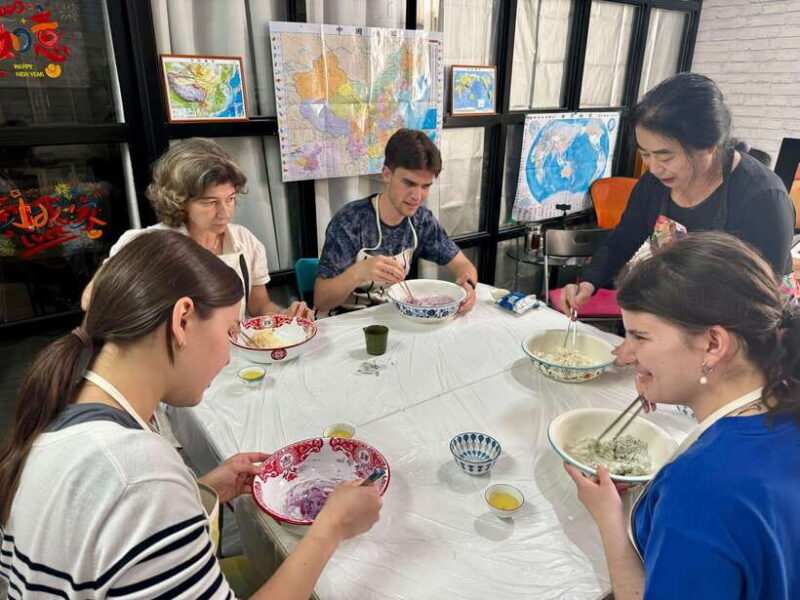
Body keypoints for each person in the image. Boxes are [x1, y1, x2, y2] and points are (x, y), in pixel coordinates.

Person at [0, 231, 382, 599]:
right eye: (231, 330)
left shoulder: (62, 401)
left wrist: (201, 489)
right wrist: (331, 528)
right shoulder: (137, 474)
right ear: (182, 320)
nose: (230, 353)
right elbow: (135, 496)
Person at [565, 232, 800, 600]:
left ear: (713, 344)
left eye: (640, 337)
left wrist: (610, 521)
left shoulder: (702, 486)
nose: (626, 353)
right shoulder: (784, 401)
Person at [559, 72, 796, 315]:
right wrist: (588, 282)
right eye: (645, 154)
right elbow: (621, 242)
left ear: (709, 146)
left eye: (665, 156)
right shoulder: (653, 184)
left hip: (747, 324)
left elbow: (758, 297)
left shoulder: (763, 198)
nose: (653, 167)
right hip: (679, 310)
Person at [82, 138, 313, 321]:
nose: (225, 212)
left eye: (230, 198)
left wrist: (285, 316)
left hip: (236, 359)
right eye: (210, 202)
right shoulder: (145, 244)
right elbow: (91, 301)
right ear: (179, 200)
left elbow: (258, 304)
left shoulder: (244, 241)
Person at [314, 128, 478, 314]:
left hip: (391, 317)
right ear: (386, 175)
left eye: (425, 186)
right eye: (409, 183)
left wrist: (469, 286)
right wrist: (358, 272)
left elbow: (463, 265)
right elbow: (321, 300)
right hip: (343, 321)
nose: (417, 196)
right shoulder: (350, 222)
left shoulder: (422, 221)